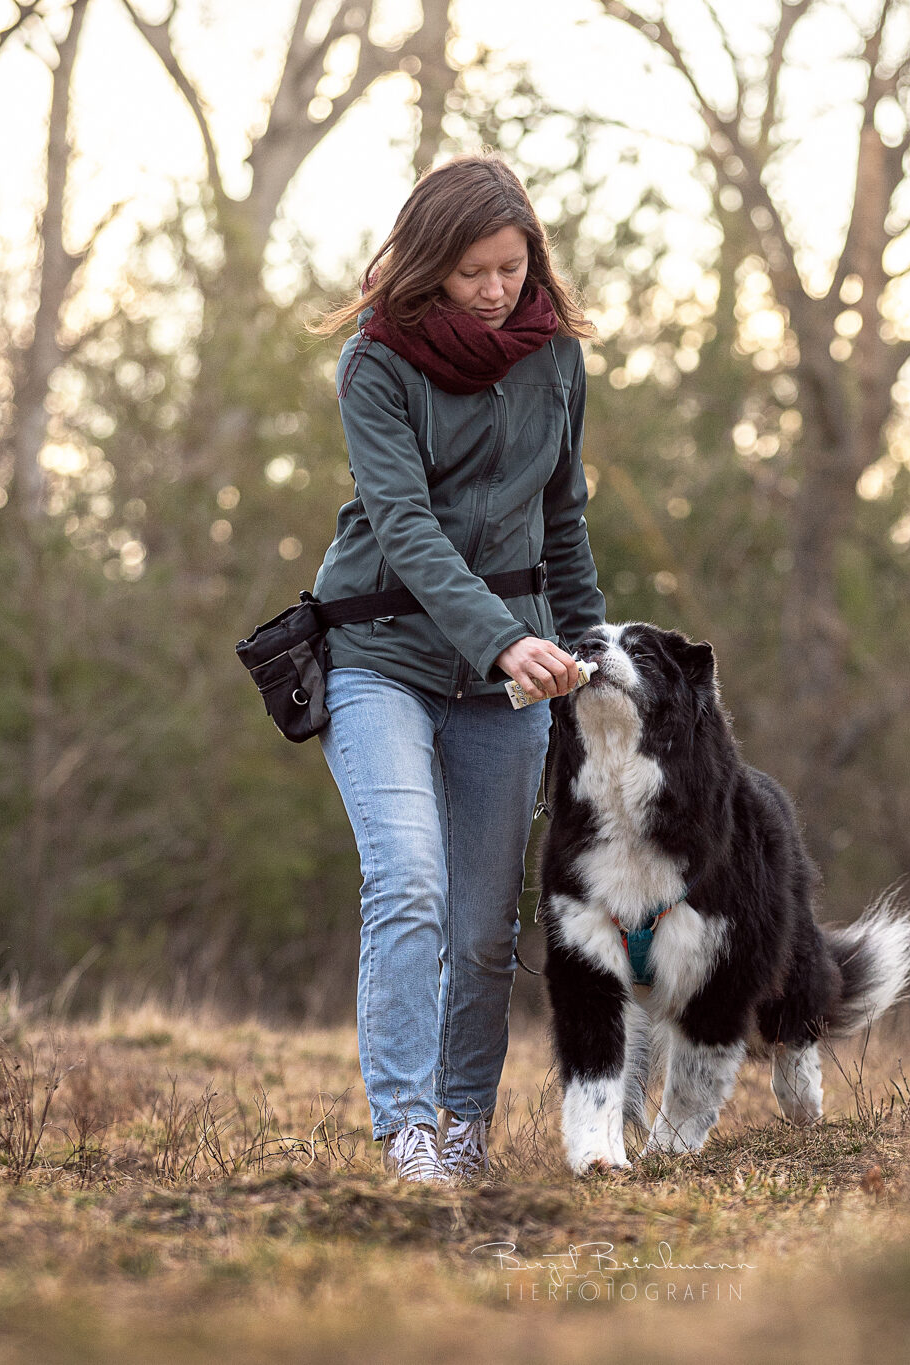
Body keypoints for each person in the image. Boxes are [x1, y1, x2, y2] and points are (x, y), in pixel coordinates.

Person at [310, 153, 606, 1182]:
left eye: (511, 269)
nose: (494, 289)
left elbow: (562, 524)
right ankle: (407, 1130)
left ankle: (465, 1123)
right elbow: (406, 528)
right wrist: (500, 633)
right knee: (408, 884)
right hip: (379, 660)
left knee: (484, 930)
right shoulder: (374, 364)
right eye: (473, 269)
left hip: (509, 683)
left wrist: (592, 655)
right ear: (431, 264)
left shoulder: (556, 363)